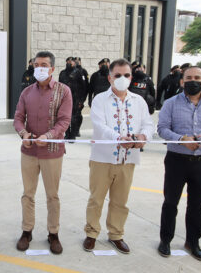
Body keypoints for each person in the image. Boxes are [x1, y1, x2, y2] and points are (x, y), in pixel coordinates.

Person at [156, 66, 201, 261]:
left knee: (196, 204)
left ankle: (193, 242)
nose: (193, 81)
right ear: (182, 81)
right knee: (171, 202)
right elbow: (162, 129)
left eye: (197, 78)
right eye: (188, 78)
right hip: (176, 161)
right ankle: (165, 239)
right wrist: (181, 139)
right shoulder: (170, 103)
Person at [83, 59, 155, 254]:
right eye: (117, 75)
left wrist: (143, 136)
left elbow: (148, 123)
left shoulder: (138, 101)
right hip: (102, 159)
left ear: (131, 77)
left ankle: (116, 234)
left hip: (128, 159)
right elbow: (99, 125)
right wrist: (117, 138)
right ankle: (91, 233)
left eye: (126, 75)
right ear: (110, 77)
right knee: (96, 199)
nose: (122, 79)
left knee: (120, 201)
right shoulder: (99, 99)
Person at [13, 51, 72, 254]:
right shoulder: (26, 92)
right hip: (29, 151)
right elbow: (18, 118)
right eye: (36, 64)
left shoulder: (64, 92)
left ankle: (53, 233)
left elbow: (64, 121)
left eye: (44, 65)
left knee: (52, 195)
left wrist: (49, 135)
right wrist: (24, 134)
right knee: (28, 194)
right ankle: (27, 231)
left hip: (52, 151)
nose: (39, 68)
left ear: (52, 69)